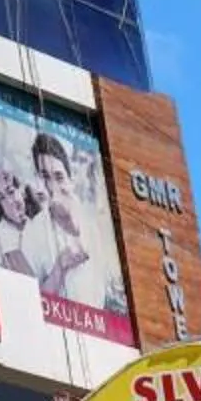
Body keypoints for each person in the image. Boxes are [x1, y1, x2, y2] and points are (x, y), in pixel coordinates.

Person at [21, 132, 118, 311]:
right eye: (45, 177)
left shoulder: (90, 224)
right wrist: (60, 267)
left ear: (70, 179)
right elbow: (30, 303)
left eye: (59, 177)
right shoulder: (32, 231)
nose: (52, 186)